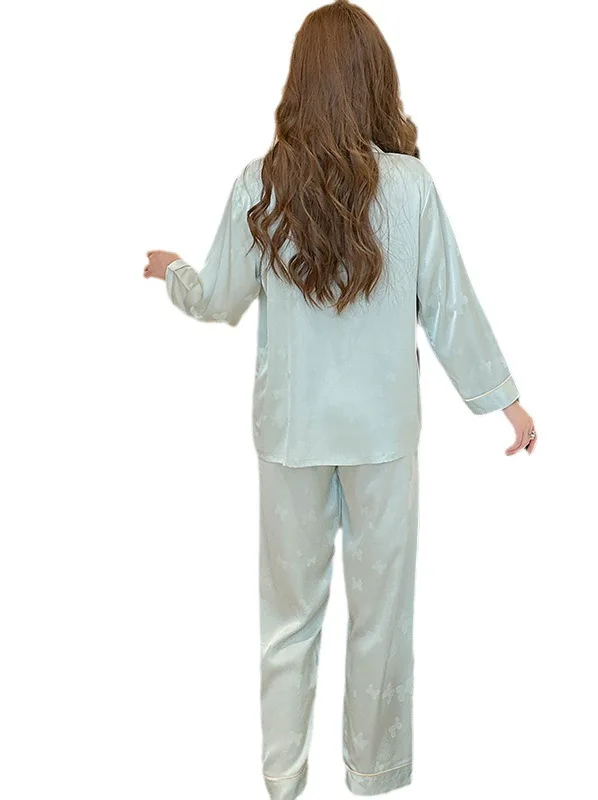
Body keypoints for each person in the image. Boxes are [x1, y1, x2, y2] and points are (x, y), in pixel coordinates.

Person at [143, 2, 536, 796]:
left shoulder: (260, 183)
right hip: (382, 436)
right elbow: (449, 307)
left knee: (287, 619)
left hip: (291, 433)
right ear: (375, 80)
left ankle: (282, 781)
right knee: (382, 616)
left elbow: (218, 299)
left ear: (302, 80)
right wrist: (504, 399)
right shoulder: (410, 187)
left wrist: (174, 273)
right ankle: (375, 775)